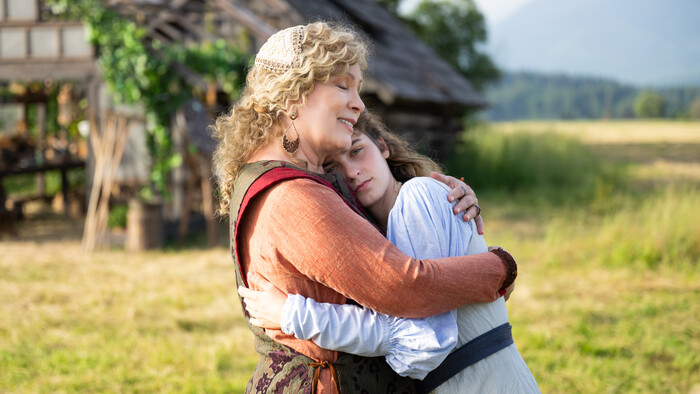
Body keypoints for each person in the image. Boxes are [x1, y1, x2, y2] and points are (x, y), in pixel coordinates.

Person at [212, 22, 518, 393]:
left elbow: (384, 234)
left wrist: (439, 195)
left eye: (358, 88)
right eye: (343, 85)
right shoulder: (294, 196)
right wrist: (499, 267)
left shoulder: (299, 180)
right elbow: (405, 286)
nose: (358, 103)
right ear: (294, 95)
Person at [239, 112, 540, 393]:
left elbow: (423, 340)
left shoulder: (417, 197)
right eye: (335, 169)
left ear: (383, 146)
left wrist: (296, 314)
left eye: (356, 151)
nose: (352, 172)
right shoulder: (376, 234)